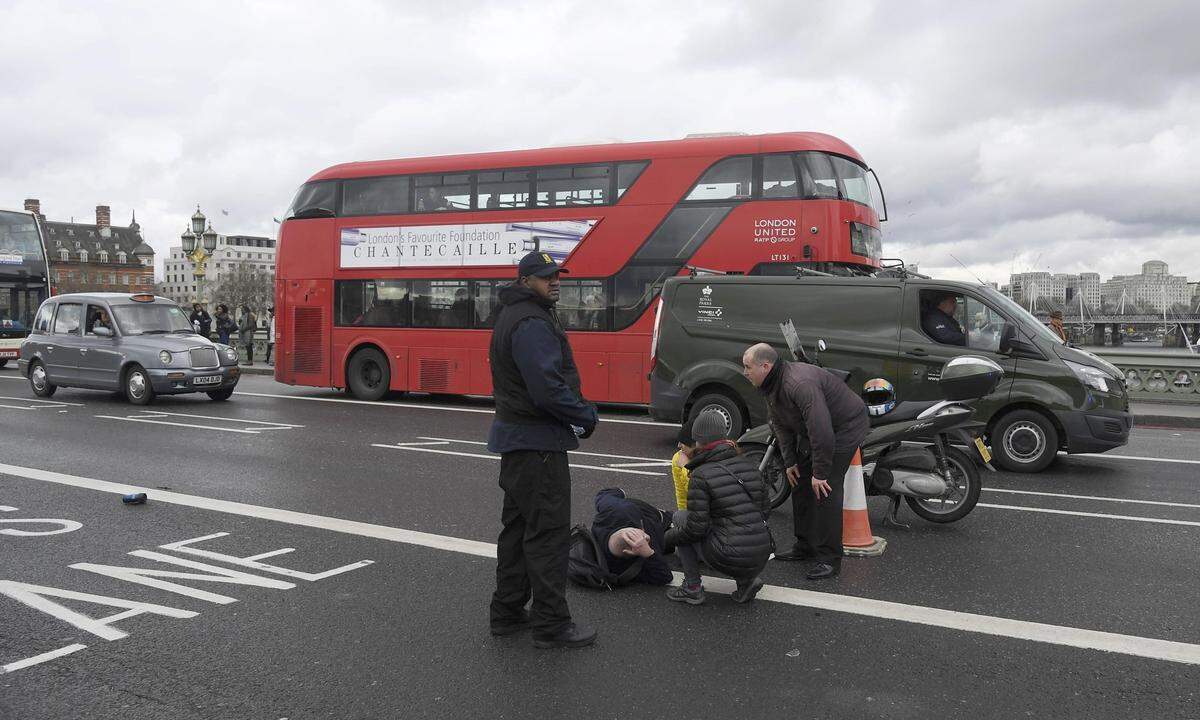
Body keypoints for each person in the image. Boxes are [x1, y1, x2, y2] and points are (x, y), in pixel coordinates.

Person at [487, 251, 599, 649]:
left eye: (557, 276)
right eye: (546, 277)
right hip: (539, 445)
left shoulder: (513, 316)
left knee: (517, 532)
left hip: (517, 442)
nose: (555, 282)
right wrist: (585, 415)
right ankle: (551, 624)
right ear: (525, 281)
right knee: (549, 535)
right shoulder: (532, 322)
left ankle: (507, 612)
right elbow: (547, 387)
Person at [743, 342, 869, 580]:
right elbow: (779, 424)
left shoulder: (798, 384)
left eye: (747, 367)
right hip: (815, 429)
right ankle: (806, 545)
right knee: (799, 479)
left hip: (845, 426)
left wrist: (820, 472)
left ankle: (829, 559)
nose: (745, 372)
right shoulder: (771, 384)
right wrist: (790, 462)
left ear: (765, 366)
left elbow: (822, 432)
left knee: (825, 489)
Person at [663, 408, 773, 605]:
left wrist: (668, 538)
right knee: (734, 527)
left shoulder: (701, 474)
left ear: (697, 440)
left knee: (681, 519)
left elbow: (695, 529)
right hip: (762, 551)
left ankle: (692, 588)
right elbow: (765, 510)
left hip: (728, 554)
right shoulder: (748, 465)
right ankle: (746, 581)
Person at [589, 488, 673, 587]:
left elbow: (604, 494)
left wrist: (620, 492)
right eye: (645, 541)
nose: (648, 537)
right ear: (632, 552)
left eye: (642, 533)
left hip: (649, 512)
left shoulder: (619, 510)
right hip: (665, 529)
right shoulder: (621, 568)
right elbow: (665, 577)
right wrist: (649, 553)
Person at [671, 425, 697, 511]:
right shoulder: (678, 458)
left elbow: (697, 493)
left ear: (695, 445)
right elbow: (682, 497)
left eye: (683, 442)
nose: (679, 445)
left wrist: (686, 467)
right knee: (679, 516)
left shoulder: (709, 459)